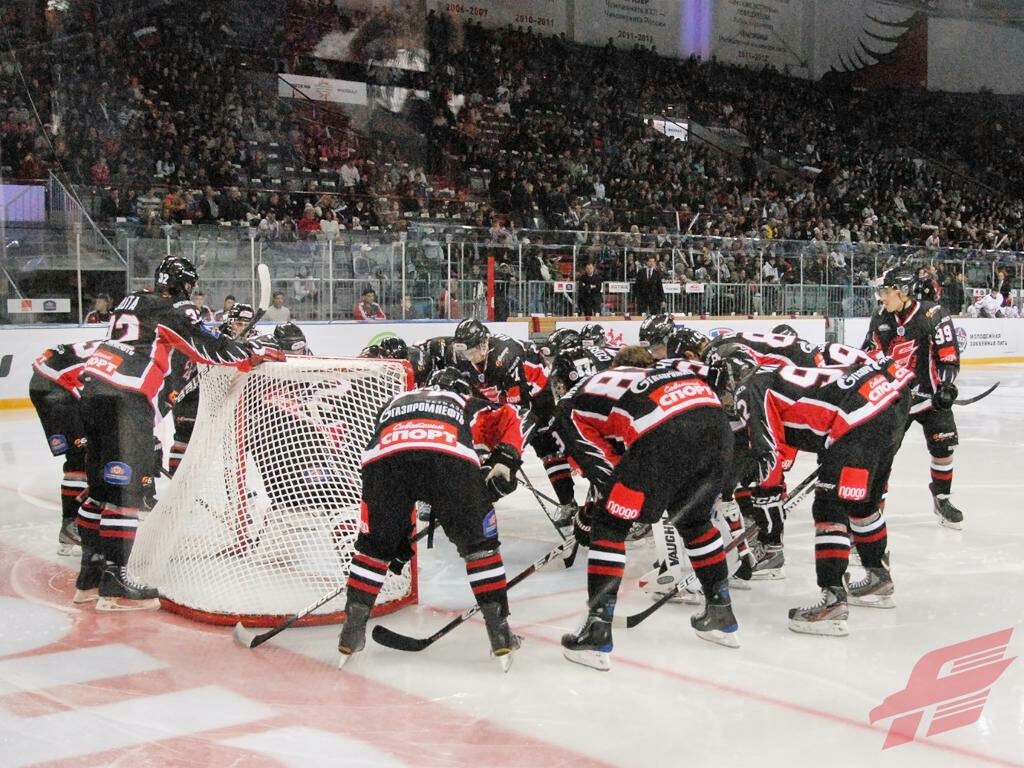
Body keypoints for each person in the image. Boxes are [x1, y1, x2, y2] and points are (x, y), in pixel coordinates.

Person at [74, 256, 285, 611]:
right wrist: (250, 352)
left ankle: (88, 578)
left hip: (92, 391)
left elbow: (180, 342)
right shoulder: (176, 307)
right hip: (126, 400)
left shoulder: (131, 300)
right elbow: (208, 347)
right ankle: (115, 582)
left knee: (99, 491)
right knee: (124, 494)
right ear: (185, 284)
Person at [555, 349, 738, 670]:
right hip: (717, 425)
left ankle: (596, 632)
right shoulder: (658, 372)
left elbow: (604, 467)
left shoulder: (573, 401)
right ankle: (720, 612)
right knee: (695, 521)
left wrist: (602, 508)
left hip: (666, 433)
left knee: (609, 525)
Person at [336, 367, 528, 670]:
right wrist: (505, 460)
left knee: (374, 549)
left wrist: (394, 533)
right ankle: (500, 634)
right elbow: (509, 418)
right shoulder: (466, 402)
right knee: (480, 546)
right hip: (447, 460)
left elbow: (389, 449)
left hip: (382, 464)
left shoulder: (393, 402)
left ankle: (352, 630)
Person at [724, 344, 914, 636]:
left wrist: (767, 505)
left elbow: (769, 455)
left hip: (856, 421)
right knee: (863, 504)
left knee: (829, 507)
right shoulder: (771, 371)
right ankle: (878, 577)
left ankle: (833, 601)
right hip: (886, 406)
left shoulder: (748, 389)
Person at [863, 268, 963, 529]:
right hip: (894, 401)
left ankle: (942, 498)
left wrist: (946, 388)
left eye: (886, 291)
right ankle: (871, 510)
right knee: (881, 456)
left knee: (944, 447)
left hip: (929, 399)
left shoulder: (933, 314)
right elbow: (869, 355)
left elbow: (949, 357)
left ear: (902, 291)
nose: (882, 297)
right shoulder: (880, 318)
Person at [29, 339, 104, 555]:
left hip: (51, 380)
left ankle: (75, 524)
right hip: (55, 386)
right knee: (80, 455)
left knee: (84, 453)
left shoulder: (123, 348)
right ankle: (71, 525)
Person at [168, 302, 258, 475]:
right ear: (230, 321)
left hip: (227, 400)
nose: (242, 329)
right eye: (239, 323)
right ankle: (177, 478)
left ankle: (233, 481)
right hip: (193, 397)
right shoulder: (214, 338)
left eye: (247, 325)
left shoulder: (254, 342)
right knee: (185, 435)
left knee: (235, 439)